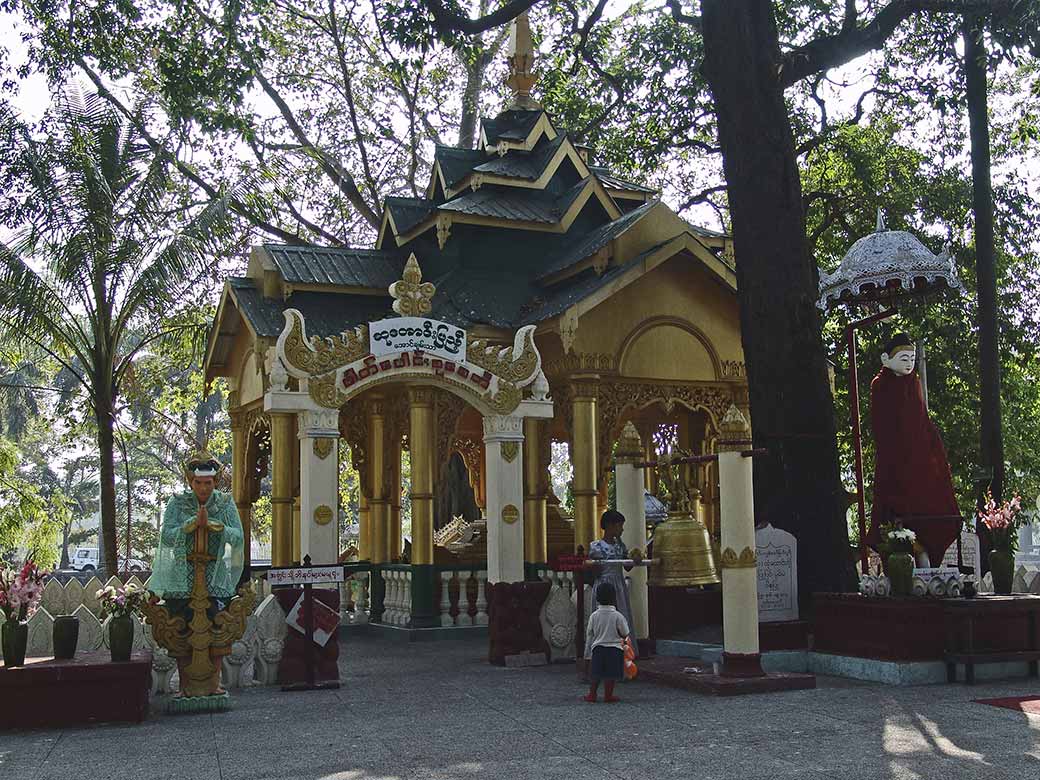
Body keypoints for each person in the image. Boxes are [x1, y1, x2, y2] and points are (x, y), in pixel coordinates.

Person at [151, 450, 244, 696]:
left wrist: (218, 527)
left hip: (214, 575)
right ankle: (185, 685)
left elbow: (238, 538)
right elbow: (166, 538)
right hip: (181, 576)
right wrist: (188, 526)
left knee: (217, 631)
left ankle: (213, 683)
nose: (203, 488)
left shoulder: (224, 503)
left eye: (208, 483)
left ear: (216, 482)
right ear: (190, 481)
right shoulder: (177, 502)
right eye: (198, 483)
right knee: (181, 632)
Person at [867, 333, 960, 565]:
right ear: (886, 359)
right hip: (896, 463)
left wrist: (932, 454)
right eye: (903, 358)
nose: (909, 363)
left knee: (929, 511)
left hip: (920, 460)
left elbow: (921, 421)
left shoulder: (914, 383)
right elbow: (884, 428)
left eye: (912, 358)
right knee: (897, 516)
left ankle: (927, 560)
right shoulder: (881, 386)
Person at [585, 509, 642, 655]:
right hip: (604, 585)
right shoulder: (596, 546)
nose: (622, 529)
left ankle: (624, 655)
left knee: (621, 617)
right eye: (620, 526)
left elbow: (627, 567)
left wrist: (635, 559)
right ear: (610, 526)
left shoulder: (620, 546)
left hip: (619, 586)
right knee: (603, 621)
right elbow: (594, 571)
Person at [583, 582, 630, 703]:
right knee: (611, 675)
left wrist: (587, 654)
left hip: (598, 648)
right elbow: (625, 632)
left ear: (597, 598)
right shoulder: (618, 616)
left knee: (595, 674)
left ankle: (592, 694)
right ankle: (608, 695)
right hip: (614, 649)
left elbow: (589, 634)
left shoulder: (594, 616)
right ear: (614, 598)